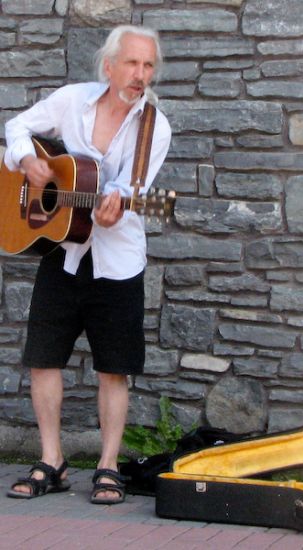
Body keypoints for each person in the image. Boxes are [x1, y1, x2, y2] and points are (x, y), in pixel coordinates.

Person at [4, 25, 172, 504]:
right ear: (109, 66)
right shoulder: (72, 101)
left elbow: (130, 189)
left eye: (148, 66)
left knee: (113, 369)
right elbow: (16, 128)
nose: (140, 74)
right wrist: (28, 162)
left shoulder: (154, 128)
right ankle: (52, 460)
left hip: (117, 261)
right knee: (43, 359)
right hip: (62, 252)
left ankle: (107, 465)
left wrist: (114, 207)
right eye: (132, 63)